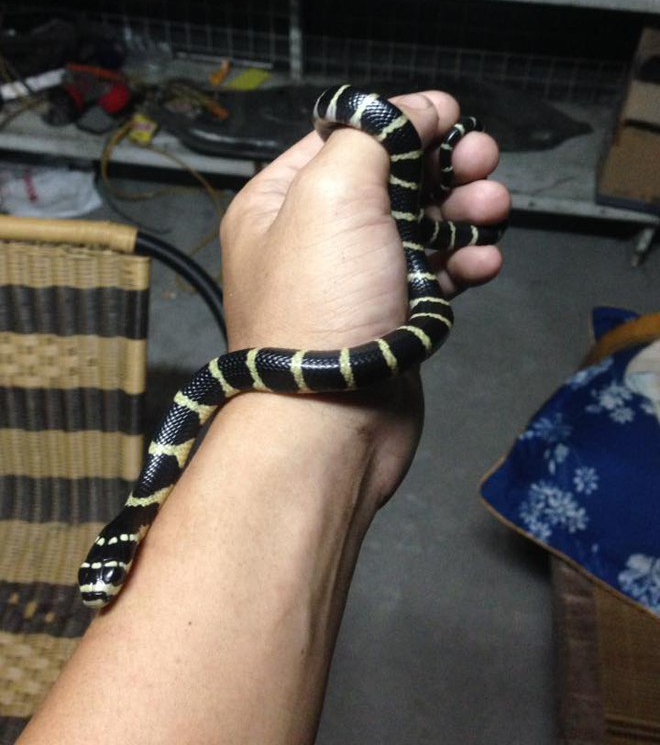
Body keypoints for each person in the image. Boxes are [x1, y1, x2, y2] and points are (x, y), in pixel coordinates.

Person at [18, 89, 510, 745]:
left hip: (370, 336)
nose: (108, 585)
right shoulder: (144, 500)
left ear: (121, 543)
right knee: (441, 233)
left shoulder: (148, 495)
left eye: (105, 573)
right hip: (373, 348)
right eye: (110, 579)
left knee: (437, 221)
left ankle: (427, 205)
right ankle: (432, 221)